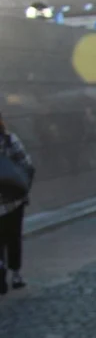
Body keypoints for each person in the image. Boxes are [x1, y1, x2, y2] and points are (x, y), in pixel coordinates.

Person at [0, 113, 32, 294]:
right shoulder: (9, 139)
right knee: (13, 238)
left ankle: (2, 274)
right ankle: (16, 274)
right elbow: (26, 164)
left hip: (11, 202)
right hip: (13, 200)